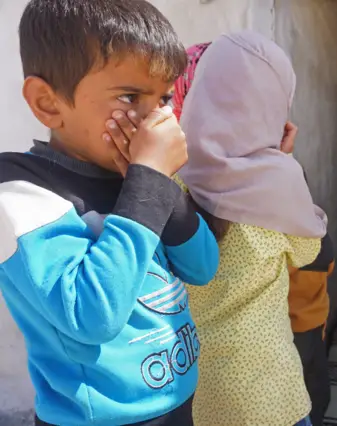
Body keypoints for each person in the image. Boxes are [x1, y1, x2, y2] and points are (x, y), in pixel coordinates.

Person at [0, 1, 220, 425]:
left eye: (164, 98)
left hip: (177, 401)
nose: (157, 118)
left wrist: (158, 185)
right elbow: (91, 316)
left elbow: (203, 266)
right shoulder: (22, 193)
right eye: (130, 96)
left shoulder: (136, 178)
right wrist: (148, 182)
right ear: (48, 103)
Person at [173, 32, 327, 426]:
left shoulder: (168, 177)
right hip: (270, 396)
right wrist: (279, 163)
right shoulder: (278, 184)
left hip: (194, 393)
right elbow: (308, 252)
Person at [287, 170, 334, 426]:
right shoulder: (317, 226)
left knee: (298, 398)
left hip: (289, 330)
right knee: (317, 391)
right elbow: (329, 265)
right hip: (315, 324)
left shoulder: (274, 226)